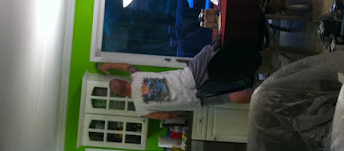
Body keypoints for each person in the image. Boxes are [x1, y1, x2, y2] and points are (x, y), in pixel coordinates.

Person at [97, 44, 254, 119]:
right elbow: (125, 66)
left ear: (121, 96)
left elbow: (166, 115)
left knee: (226, 98)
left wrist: (183, 109)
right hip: (189, 78)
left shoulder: (141, 110)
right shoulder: (137, 76)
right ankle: (251, 53)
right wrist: (109, 66)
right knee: (211, 49)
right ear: (123, 81)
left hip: (192, 101)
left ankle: (259, 94)